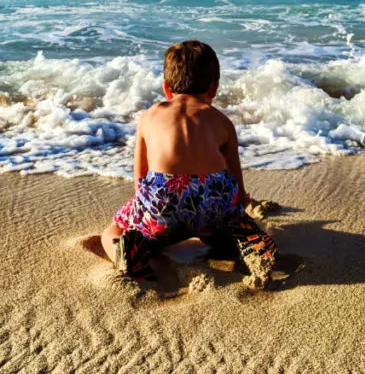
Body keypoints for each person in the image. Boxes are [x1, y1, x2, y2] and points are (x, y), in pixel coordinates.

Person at [101, 40, 277, 284]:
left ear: (166, 87)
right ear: (214, 88)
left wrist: (146, 215)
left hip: (163, 204)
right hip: (212, 204)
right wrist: (241, 207)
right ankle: (236, 241)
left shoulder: (149, 117)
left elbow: (140, 179)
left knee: (112, 231)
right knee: (224, 226)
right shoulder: (222, 122)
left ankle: (126, 253)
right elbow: (235, 180)